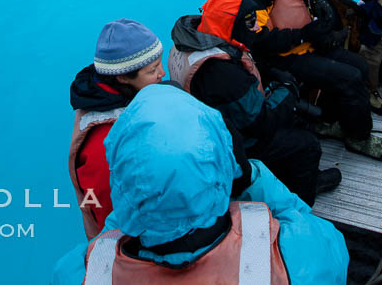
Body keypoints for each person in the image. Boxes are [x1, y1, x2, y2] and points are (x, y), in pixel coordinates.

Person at [52, 83, 350, 284]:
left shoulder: (77, 271)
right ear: (225, 161)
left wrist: (139, 203)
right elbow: (326, 238)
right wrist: (252, 176)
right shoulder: (297, 255)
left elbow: (118, 228)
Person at [234, 0, 382, 162]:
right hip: (279, 56)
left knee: (359, 67)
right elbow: (258, 40)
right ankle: (359, 138)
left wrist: (317, 30)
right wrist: (304, 35)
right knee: (349, 77)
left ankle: (328, 121)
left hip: (303, 45)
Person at [167, 0, 341, 206]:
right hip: (232, 143)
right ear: (231, 24)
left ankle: (280, 178)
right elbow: (260, 122)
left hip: (211, 123)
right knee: (306, 144)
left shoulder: (189, 39)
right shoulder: (219, 72)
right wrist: (287, 89)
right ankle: (300, 200)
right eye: (250, 22)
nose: (258, 27)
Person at [67, 19, 165, 238]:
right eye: (152, 70)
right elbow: (109, 216)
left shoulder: (108, 93)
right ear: (122, 77)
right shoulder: (103, 145)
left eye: (160, 63)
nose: (163, 72)